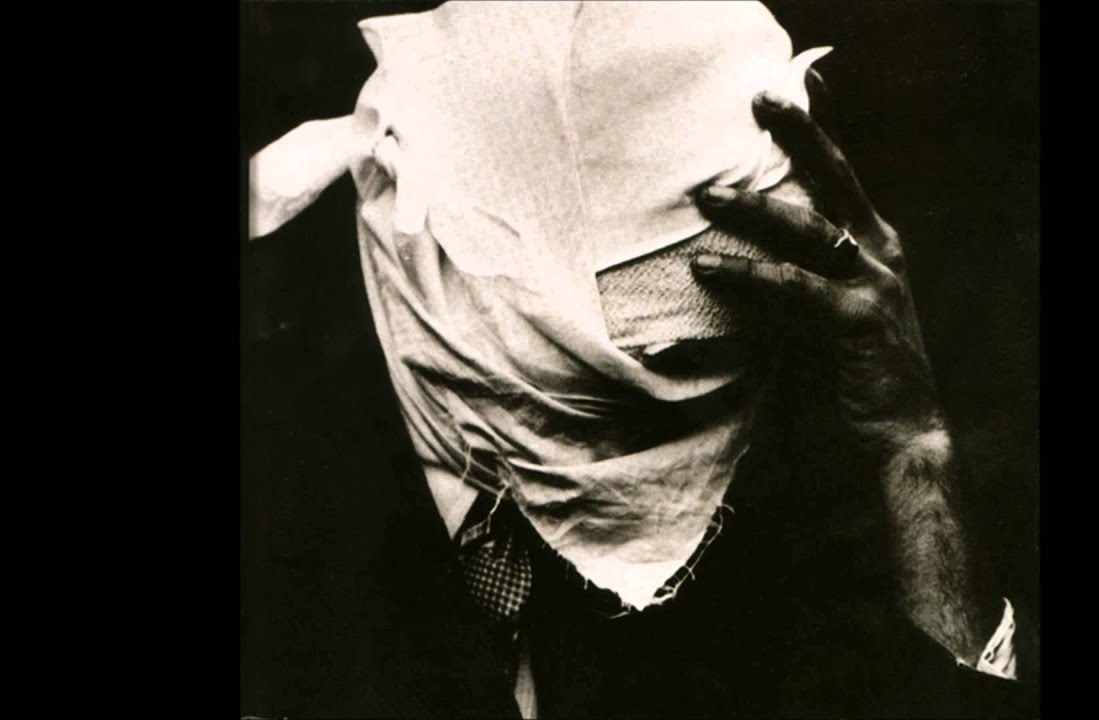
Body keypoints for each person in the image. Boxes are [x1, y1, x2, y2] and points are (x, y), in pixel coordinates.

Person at [242, 3, 1037, 717]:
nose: (689, 432)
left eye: (712, 362)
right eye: (638, 367)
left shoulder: (796, 462)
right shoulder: (286, 498)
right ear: (448, 300)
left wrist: (910, 443)